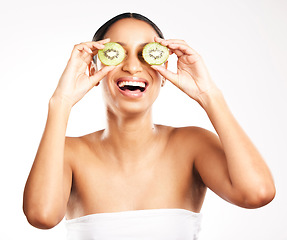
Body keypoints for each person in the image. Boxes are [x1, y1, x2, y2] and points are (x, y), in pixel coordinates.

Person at [23, 12, 276, 239]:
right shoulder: (67, 153)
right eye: (116, 53)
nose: (132, 67)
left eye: (147, 54)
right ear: (94, 68)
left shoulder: (193, 145)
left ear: (164, 69)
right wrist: (61, 102)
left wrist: (209, 94)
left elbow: (257, 193)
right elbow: (41, 216)